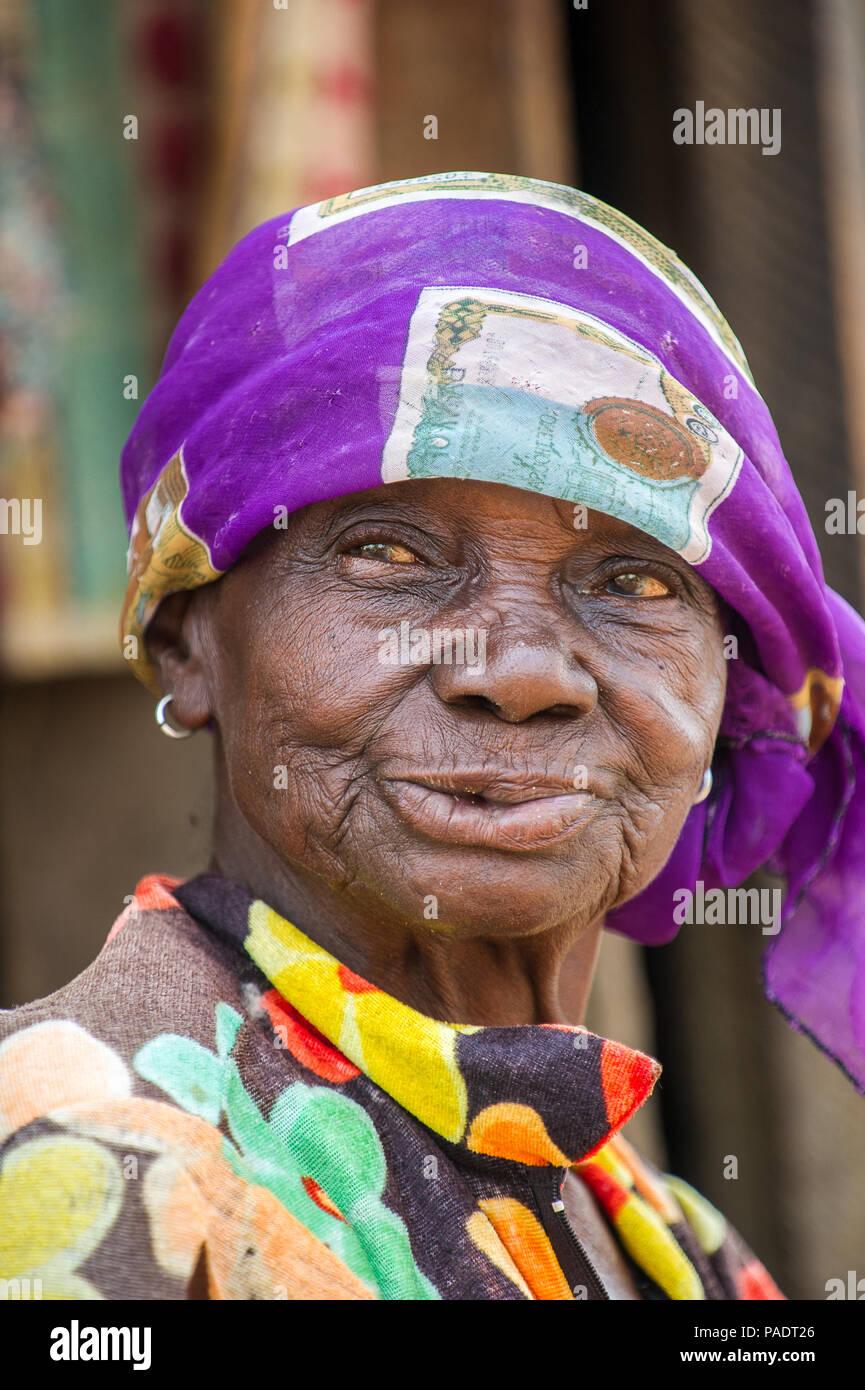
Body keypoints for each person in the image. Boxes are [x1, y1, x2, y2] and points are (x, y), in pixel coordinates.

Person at [2, 170, 864, 1301]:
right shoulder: (90, 1156)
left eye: (634, 578)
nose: (516, 675)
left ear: (724, 689)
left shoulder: (664, 1237)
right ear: (185, 639)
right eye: (389, 555)